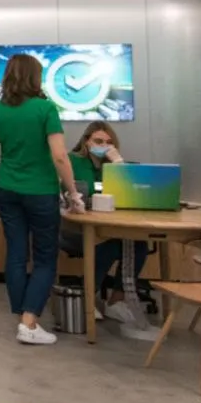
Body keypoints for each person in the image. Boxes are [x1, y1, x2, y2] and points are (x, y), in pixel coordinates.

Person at [0, 53, 85, 345]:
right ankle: (29, 323)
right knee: (44, 257)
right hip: (40, 192)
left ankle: (22, 318)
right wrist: (73, 193)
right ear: (35, 78)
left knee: (16, 254)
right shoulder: (45, 109)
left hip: (6, 189)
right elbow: (59, 155)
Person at [64, 121, 152, 327]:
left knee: (139, 245)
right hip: (75, 227)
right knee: (110, 246)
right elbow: (87, 191)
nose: (103, 146)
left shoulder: (114, 165)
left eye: (108, 142)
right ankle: (87, 297)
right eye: (98, 141)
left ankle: (117, 301)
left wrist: (118, 164)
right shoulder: (73, 161)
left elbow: (131, 194)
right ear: (87, 142)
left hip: (109, 226)